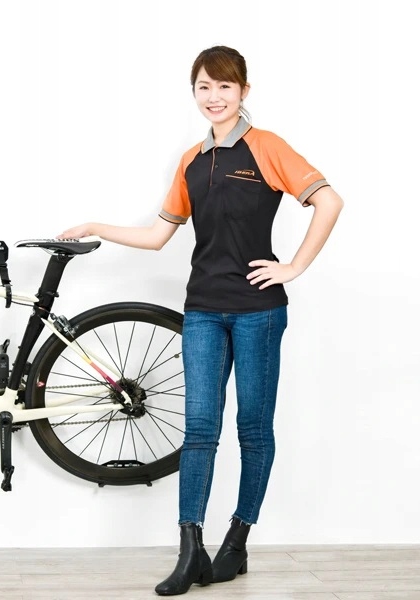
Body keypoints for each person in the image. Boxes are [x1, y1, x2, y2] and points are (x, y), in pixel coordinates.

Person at [57, 45, 344, 596]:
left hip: (259, 313)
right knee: (200, 430)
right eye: (204, 87)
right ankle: (190, 550)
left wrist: (293, 267)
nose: (214, 97)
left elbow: (329, 202)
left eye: (224, 86)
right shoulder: (191, 160)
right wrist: (96, 226)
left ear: (243, 92)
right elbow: (157, 235)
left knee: (253, 429)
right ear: (194, 93)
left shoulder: (267, 147)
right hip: (202, 312)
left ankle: (236, 541)